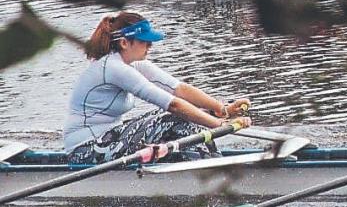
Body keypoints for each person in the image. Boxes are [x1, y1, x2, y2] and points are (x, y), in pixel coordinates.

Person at [64, 11, 252, 164]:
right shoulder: (113, 68)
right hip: (86, 149)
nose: (150, 46)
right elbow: (173, 105)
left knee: (193, 115)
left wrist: (222, 110)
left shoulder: (133, 64)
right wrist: (220, 126)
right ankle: (209, 172)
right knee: (174, 118)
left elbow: (178, 89)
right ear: (124, 43)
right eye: (145, 41)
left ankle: (210, 163)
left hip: (110, 138)